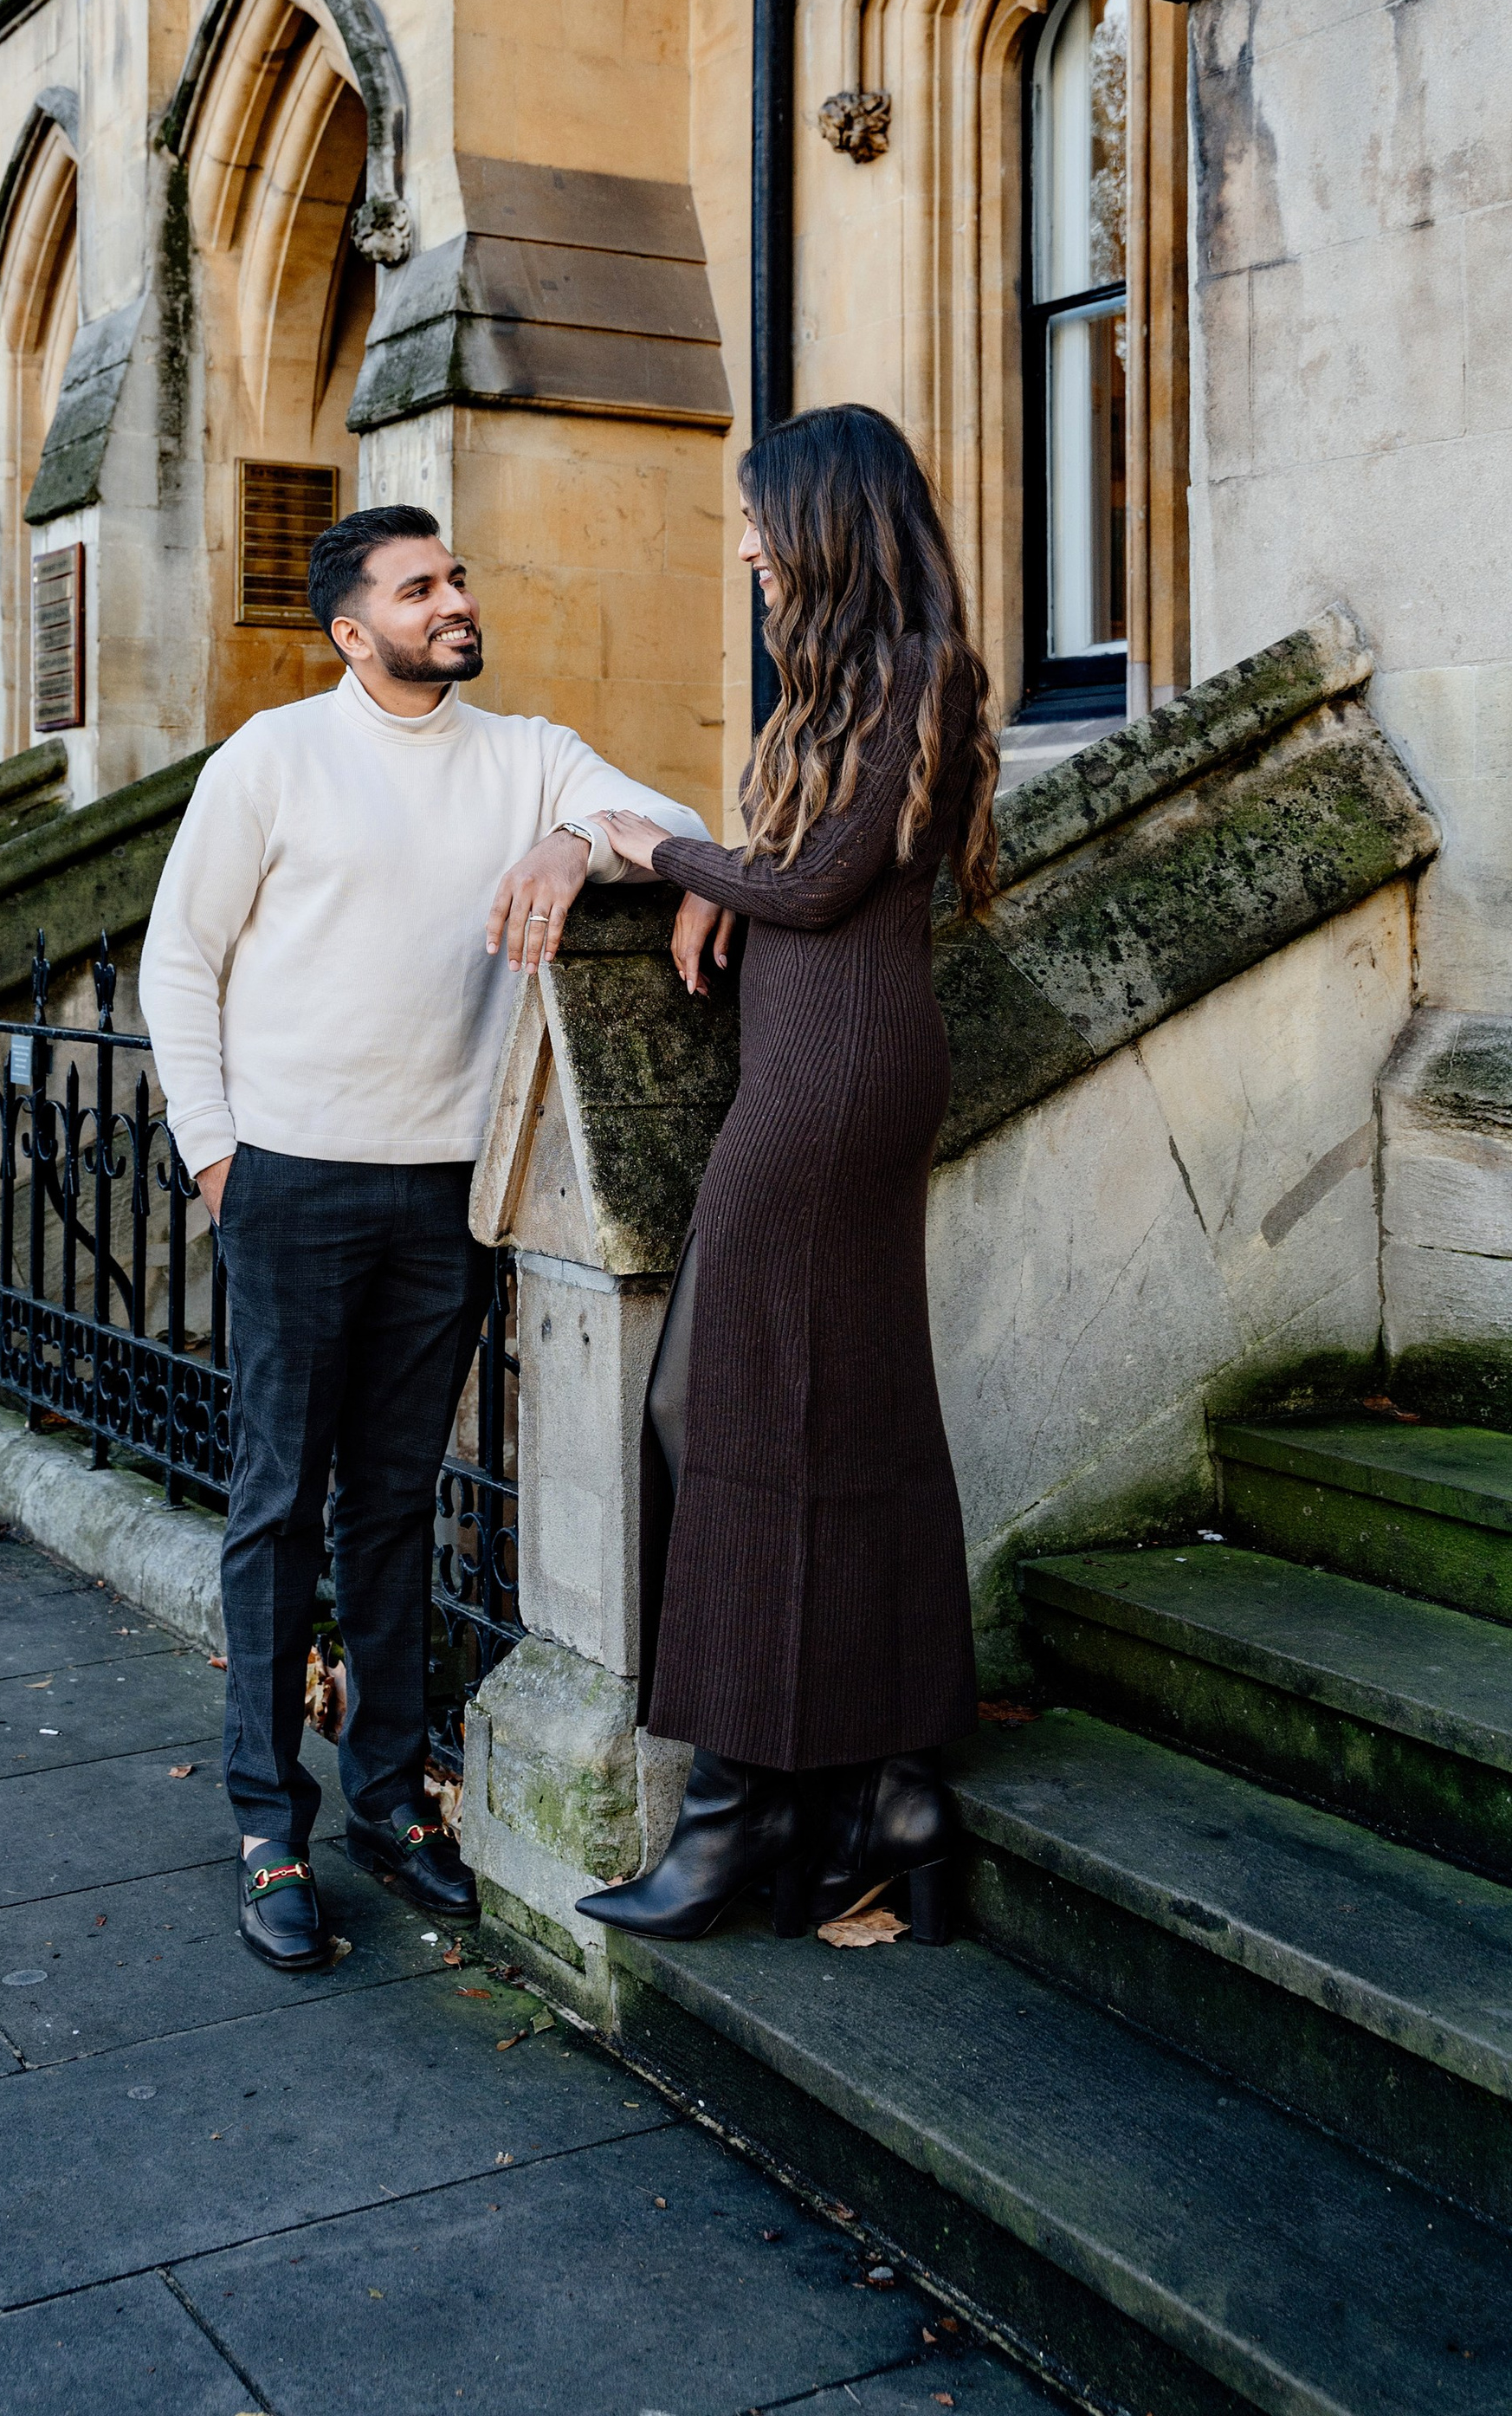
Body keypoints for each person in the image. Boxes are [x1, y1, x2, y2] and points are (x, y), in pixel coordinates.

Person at [139, 503, 711, 1972]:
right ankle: (268, 1828)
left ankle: (391, 1804)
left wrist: (574, 842)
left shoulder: (527, 756)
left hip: (445, 1193)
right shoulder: (272, 758)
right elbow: (178, 959)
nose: (454, 600)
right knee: (279, 1505)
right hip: (289, 1181)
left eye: (455, 578)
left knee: (394, 1503)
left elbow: (679, 825)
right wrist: (217, 1159)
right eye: (419, 589)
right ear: (353, 631)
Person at [576, 405, 998, 1949]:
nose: (746, 544)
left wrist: (660, 853)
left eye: (761, 518)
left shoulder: (918, 670)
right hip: (819, 1071)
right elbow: (803, 872)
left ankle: (737, 1811)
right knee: (831, 1409)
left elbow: (819, 884)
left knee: (719, 1406)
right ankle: (888, 1789)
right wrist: (730, 884)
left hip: (837, 1087)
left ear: (827, 522)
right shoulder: (843, 682)